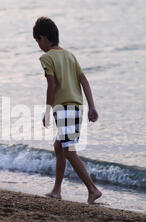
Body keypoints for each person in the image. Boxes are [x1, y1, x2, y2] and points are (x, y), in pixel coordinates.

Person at [33, 17, 102, 204]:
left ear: (43, 38)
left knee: (69, 150)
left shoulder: (46, 58)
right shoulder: (70, 55)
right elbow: (84, 81)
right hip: (77, 108)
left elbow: (52, 86)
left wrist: (47, 110)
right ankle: (56, 190)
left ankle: (93, 189)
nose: (39, 45)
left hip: (63, 108)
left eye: (38, 41)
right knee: (59, 146)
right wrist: (92, 106)